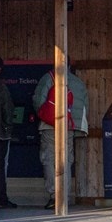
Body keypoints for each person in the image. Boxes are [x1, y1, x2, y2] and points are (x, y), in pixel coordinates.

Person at [34, 65, 87, 209]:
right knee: (66, 160)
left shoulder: (49, 78)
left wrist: (43, 115)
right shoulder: (78, 82)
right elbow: (83, 107)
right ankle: (65, 196)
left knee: (49, 158)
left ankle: (54, 196)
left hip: (50, 126)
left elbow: (38, 101)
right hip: (69, 127)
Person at [0, 60, 16, 208]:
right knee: (0, 168)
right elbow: (8, 111)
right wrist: (9, 130)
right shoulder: (1, 87)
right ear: (0, 70)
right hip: (0, 135)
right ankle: (2, 199)